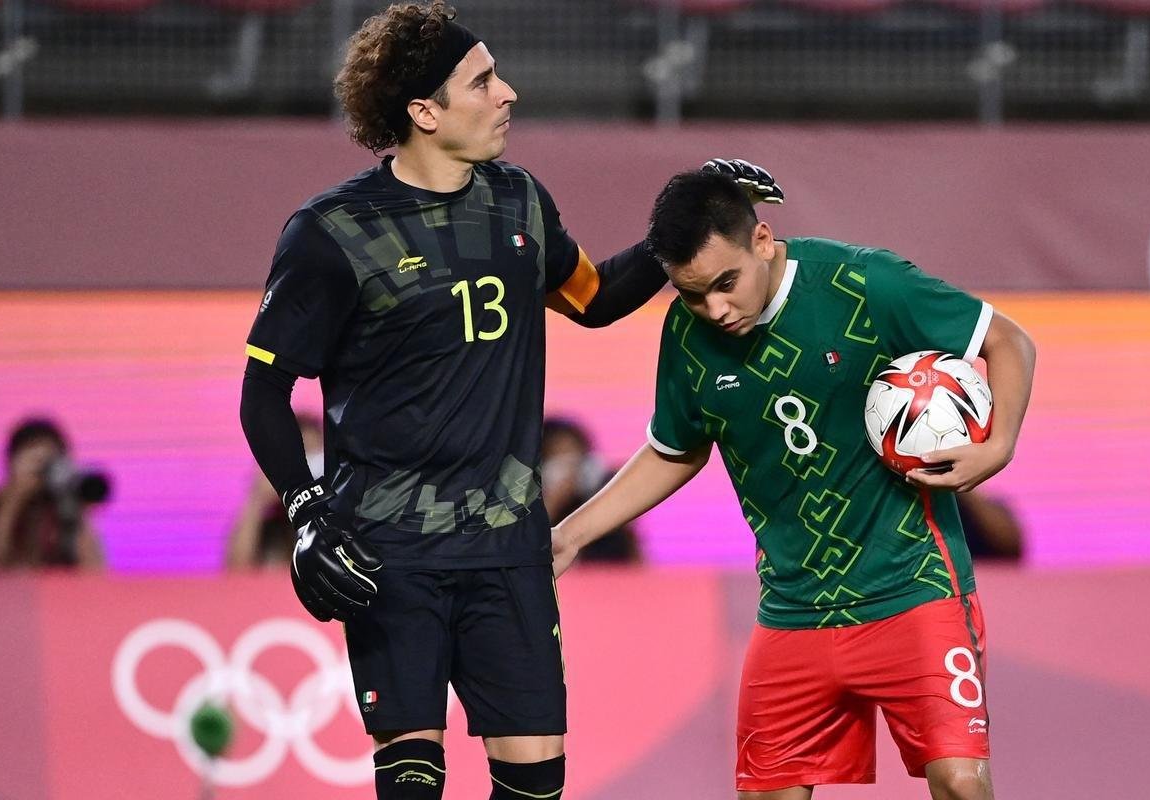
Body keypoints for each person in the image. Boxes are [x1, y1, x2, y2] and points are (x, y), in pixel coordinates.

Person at [237, 3, 781, 798]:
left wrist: (684, 227)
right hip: (390, 549)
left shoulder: (518, 199)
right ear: (424, 112)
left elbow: (592, 298)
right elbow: (264, 390)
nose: (507, 93)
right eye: (482, 81)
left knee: (535, 785)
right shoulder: (332, 231)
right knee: (413, 781)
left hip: (507, 544)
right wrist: (307, 511)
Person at [552, 169, 1037, 800]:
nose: (715, 310)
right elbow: (676, 451)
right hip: (792, 611)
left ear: (761, 239)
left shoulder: (863, 284)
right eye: (693, 295)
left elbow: (1006, 340)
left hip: (914, 591)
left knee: (961, 783)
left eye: (726, 284)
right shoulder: (686, 337)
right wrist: (569, 535)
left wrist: (997, 446)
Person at [0, 417, 107, 569]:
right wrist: (14, 499)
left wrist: (75, 507)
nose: (41, 467)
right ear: (12, 462)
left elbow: (95, 573)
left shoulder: (63, 510)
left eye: (50, 459)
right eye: (33, 457)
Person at [226, 411, 324, 569]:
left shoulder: (339, 517)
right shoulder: (269, 530)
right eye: (302, 459)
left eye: (316, 458)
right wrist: (257, 498)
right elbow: (237, 571)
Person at [541, 416, 639, 564]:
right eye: (559, 454)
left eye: (574, 452)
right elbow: (527, 541)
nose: (569, 465)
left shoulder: (606, 485)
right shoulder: (528, 494)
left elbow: (630, 545)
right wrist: (553, 502)